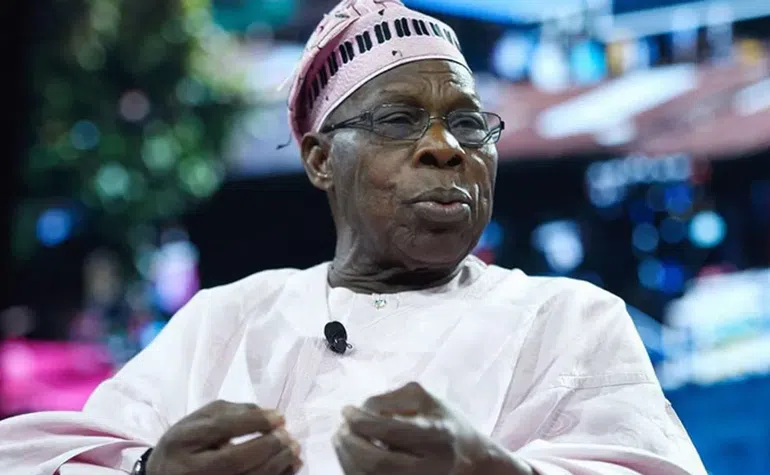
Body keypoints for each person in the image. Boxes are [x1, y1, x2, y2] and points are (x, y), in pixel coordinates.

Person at [0, 1, 707, 474]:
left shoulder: (570, 319)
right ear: (319, 160)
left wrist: (496, 471)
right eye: (398, 120)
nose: (446, 148)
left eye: (468, 124)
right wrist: (148, 470)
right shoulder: (226, 321)